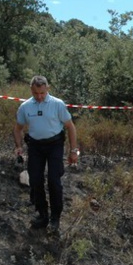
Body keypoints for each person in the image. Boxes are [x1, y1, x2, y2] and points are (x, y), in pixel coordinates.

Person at [13, 75, 78, 234]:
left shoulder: (57, 104)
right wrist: (18, 146)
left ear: (47, 89)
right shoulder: (25, 107)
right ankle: (42, 215)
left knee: (54, 181)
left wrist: (73, 150)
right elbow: (18, 128)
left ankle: (55, 217)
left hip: (55, 145)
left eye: (42, 93)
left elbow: (70, 127)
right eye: (36, 93)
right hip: (35, 146)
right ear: (31, 90)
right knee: (35, 180)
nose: (39, 96)